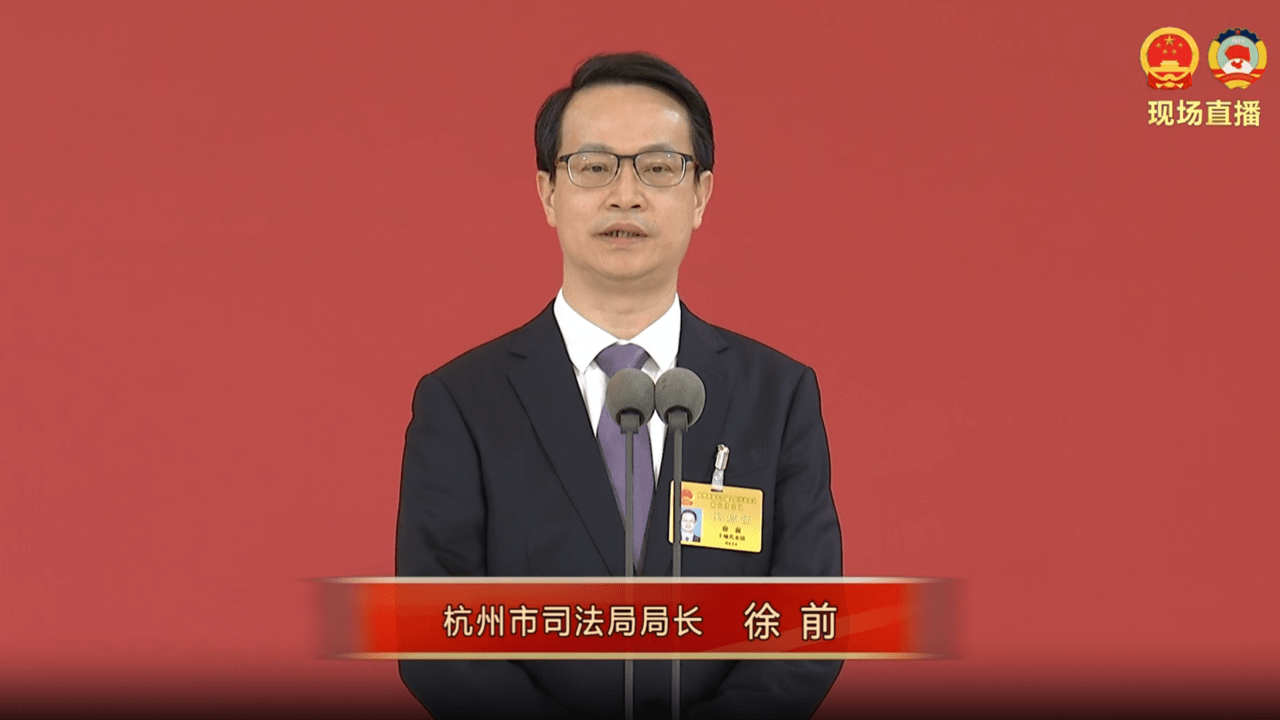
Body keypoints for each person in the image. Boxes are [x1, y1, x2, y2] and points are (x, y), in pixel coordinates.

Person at [396, 52, 842, 720]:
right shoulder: (462, 402)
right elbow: (434, 631)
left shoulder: (777, 397)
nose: (625, 194)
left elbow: (808, 624)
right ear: (548, 192)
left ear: (701, 195)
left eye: (658, 168)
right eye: (594, 166)